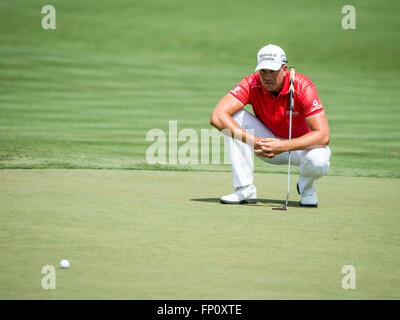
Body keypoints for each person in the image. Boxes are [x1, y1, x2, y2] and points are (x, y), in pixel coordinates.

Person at [209, 44, 331, 207]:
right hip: (265, 146)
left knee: (318, 160)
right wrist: (255, 141)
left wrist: (283, 145)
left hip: (301, 149)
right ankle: (244, 188)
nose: (267, 77)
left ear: (284, 69)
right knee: (232, 117)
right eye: (263, 71)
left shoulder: (303, 86)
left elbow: (323, 135)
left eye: (272, 71)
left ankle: (306, 188)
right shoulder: (252, 83)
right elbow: (217, 117)